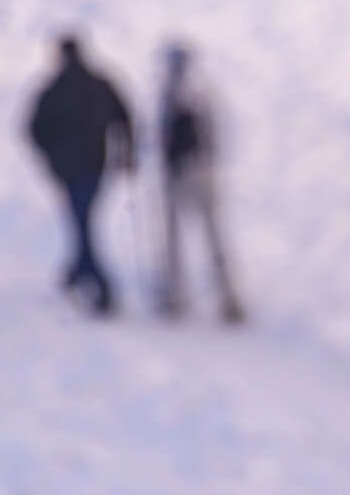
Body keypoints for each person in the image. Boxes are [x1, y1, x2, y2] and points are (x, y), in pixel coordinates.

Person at [28, 34, 134, 315]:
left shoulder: (55, 87)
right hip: (94, 166)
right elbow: (125, 116)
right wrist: (127, 153)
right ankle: (77, 273)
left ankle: (99, 286)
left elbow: (33, 127)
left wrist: (50, 158)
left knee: (81, 223)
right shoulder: (99, 83)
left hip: (69, 170)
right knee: (81, 222)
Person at [158, 42, 244, 324]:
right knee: (213, 236)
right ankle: (228, 297)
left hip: (177, 176)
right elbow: (215, 134)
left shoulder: (170, 93)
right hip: (205, 173)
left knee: (173, 238)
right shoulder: (203, 94)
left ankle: (174, 297)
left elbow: (162, 138)